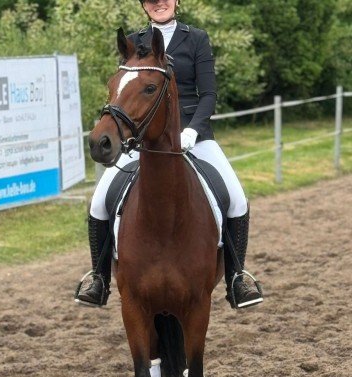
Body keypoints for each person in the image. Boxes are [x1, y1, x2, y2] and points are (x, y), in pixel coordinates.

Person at [75, 0, 264, 309]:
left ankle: (235, 277)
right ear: (143, 5)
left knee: (237, 198)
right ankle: (99, 278)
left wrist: (193, 129)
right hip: (143, 137)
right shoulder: (134, 42)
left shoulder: (197, 38)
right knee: (98, 202)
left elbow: (209, 94)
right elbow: (127, 91)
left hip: (193, 134)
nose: (158, 3)